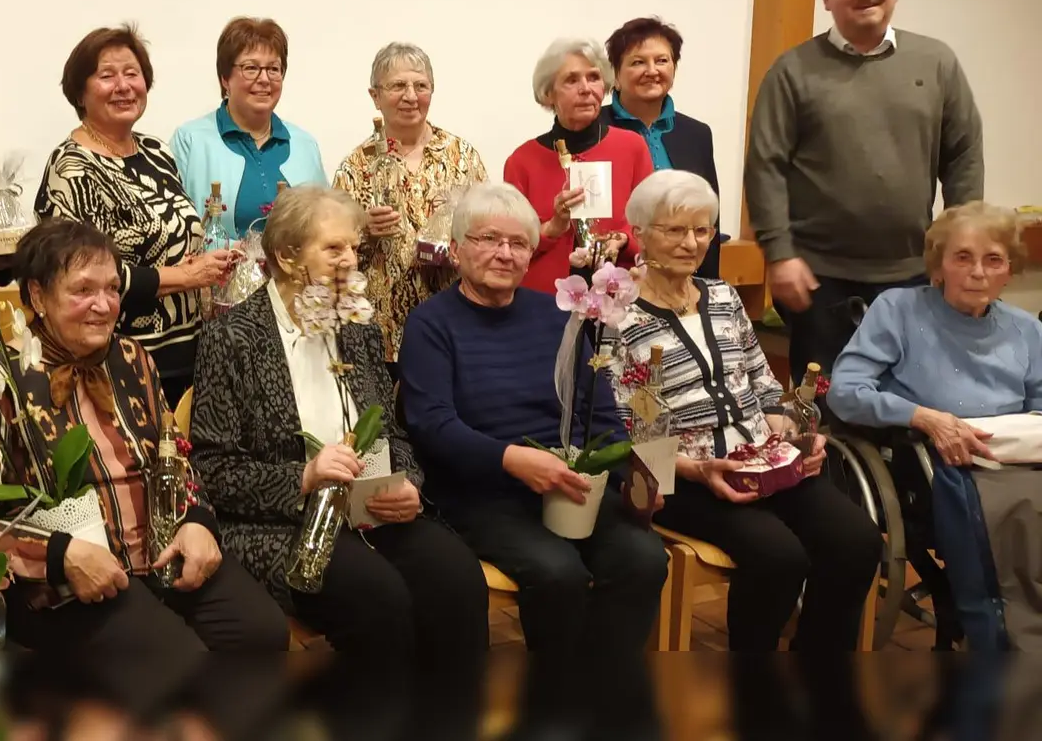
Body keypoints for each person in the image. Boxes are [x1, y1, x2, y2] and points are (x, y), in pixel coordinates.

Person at [188, 186, 489, 658]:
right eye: (334, 248)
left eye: (354, 247)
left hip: (369, 511)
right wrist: (303, 477)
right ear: (287, 257)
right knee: (379, 597)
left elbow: (392, 433)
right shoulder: (232, 338)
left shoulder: (358, 327)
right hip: (282, 523)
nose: (351, 260)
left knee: (457, 577)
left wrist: (408, 481)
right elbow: (213, 472)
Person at [608, 170, 881, 651]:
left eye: (702, 229)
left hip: (763, 461)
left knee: (857, 541)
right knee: (779, 557)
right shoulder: (619, 316)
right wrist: (696, 469)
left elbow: (764, 385)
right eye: (674, 229)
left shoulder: (723, 296)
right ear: (639, 234)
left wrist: (795, 434)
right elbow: (630, 425)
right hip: (687, 477)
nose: (691, 242)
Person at [0, 218, 287, 654]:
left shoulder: (133, 357)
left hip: (161, 554)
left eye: (112, 289)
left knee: (262, 632)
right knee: (179, 660)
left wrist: (199, 522)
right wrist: (58, 556)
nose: (104, 305)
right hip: (74, 584)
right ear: (37, 295)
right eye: (83, 290)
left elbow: (178, 456)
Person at [400, 181, 667, 655]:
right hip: (482, 492)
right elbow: (431, 425)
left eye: (519, 243)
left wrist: (635, 477)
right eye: (488, 240)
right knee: (557, 572)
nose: (505, 253)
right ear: (458, 250)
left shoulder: (556, 314)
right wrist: (514, 460)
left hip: (569, 482)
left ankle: (606, 687)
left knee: (643, 559)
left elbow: (599, 410)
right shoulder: (430, 324)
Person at [745, 0, 983, 375]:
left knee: (915, 399)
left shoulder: (936, 62)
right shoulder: (793, 70)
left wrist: (960, 250)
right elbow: (766, 167)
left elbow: (963, 156)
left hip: (915, 273)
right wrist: (780, 256)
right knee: (825, 407)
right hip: (819, 278)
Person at [830, 202, 1042, 651]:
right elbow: (844, 392)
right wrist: (924, 416)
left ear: (1009, 270)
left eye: (993, 260)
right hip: (936, 463)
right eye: (962, 257)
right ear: (939, 265)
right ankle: (999, 641)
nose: (978, 272)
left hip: (1015, 456)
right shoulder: (899, 310)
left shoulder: (1025, 329)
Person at [35, 25, 239, 405]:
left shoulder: (156, 152)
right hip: (117, 359)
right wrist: (181, 276)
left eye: (133, 74)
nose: (124, 86)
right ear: (80, 91)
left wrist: (206, 264)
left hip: (190, 354)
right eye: (107, 76)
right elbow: (75, 276)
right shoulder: (72, 166)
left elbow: (177, 238)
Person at [332, 42, 486, 374]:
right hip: (380, 333)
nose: (411, 96)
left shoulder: (463, 156)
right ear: (375, 96)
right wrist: (364, 232)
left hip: (457, 323)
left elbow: (490, 228)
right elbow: (331, 252)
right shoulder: (355, 167)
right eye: (398, 85)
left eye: (421, 85)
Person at [504, 38, 653, 294]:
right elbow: (510, 246)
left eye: (594, 77)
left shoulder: (632, 148)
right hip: (545, 302)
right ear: (548, 94)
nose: (586, 89)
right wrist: (553, 227)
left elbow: (653, 224)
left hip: (619, 296)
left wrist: (623, 239)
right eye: (571, 80)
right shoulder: (522, 161)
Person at [169, 16, 328, 238]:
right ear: (225, 78)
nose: (264, 79)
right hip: (218, 271)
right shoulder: (190, 141)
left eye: (273, 69)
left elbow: (327, 226)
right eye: (251, 68)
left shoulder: (305, 145)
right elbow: (176, 231)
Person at [603, 17, 721, 278]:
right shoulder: (596, 131)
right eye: (637, 62)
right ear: (615, 75)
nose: (652, 70)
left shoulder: (697, 134)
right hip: (615, 280)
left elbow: (709, 216)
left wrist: (708, 287)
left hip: (684, 277)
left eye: (662, 60)